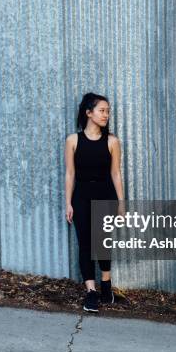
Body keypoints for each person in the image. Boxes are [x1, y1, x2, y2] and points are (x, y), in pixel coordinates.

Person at [65, 93, 125, 312]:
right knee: (85, 244)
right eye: (102, 110)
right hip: (81, 196)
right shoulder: (72, 140)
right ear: (88, 113)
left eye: (108, 111)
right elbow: (70, 174)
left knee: (102, 242)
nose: (106, 115)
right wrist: (68, 203)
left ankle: (106, 287)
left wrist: (121, 202)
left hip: (104, 194)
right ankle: (91, 291)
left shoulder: (112, 141)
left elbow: (116, 173)